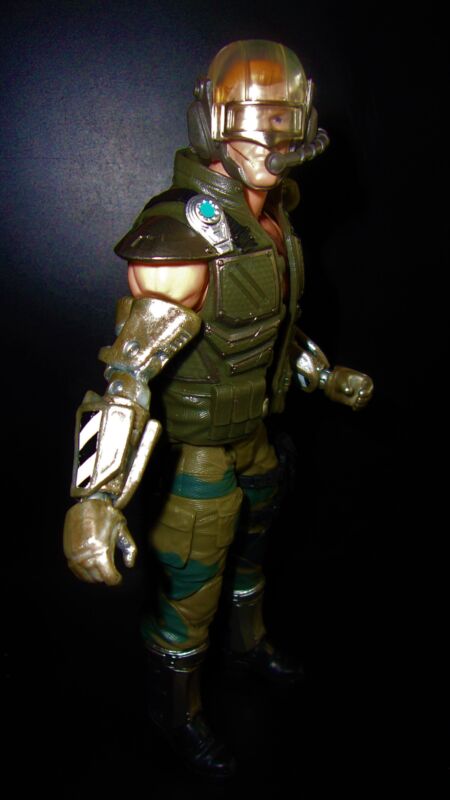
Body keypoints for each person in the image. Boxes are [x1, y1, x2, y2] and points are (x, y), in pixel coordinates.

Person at [63, 40, 373, 778]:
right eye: (256, 123)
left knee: (252, 559)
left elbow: (270, 330)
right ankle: (177, 714)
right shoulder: (181, 235)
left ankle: (248, 644)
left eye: (286, 122)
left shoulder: (276, 222)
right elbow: (129, 372)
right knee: (189, 593)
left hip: (255, 437)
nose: (274, 143)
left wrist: (322, 375)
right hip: (197, 453)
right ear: (213, 124)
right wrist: (96, 498)